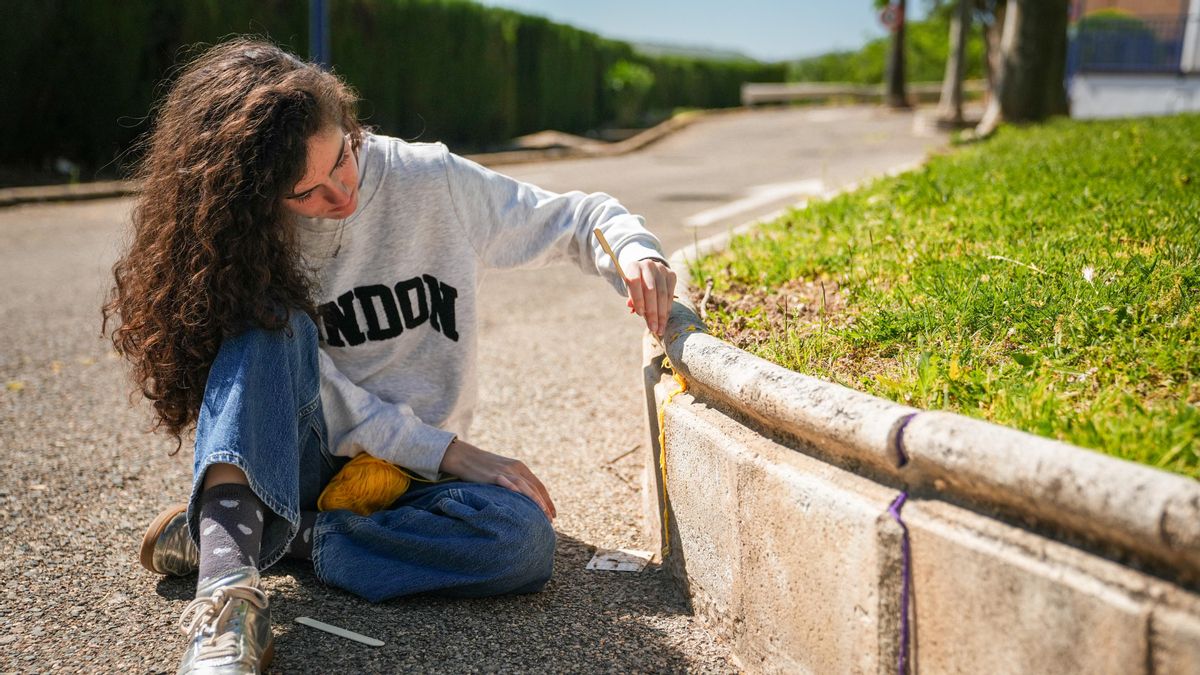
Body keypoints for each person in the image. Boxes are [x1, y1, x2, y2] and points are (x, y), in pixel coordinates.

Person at [104, 38, 676, 673]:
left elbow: (576, 218)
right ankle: (226, 597)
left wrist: (634, 251)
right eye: (306, 193)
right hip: (298, 458)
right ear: (258, 196)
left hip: (409, 477)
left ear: (349, 125)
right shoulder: (248, 237)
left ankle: (262, 534)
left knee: (519, 542)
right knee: (267, 327)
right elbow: (307, 395)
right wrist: (450, 450)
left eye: (342, 160)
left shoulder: (430, 181)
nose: (341, 195)